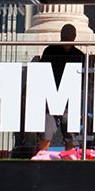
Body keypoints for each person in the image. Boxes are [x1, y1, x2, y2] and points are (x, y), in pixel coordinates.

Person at [34, 24, 88, 155]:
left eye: (69, 35)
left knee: (71, 135)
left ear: (74, 37)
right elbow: (41, 72)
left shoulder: (79, 55)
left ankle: (69, 161)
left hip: (70, 99)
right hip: (51, 98)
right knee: (46, 133)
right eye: (65, 35)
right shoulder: (50, 51)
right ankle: (41, 158)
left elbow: (86, 78)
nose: (67, 37)